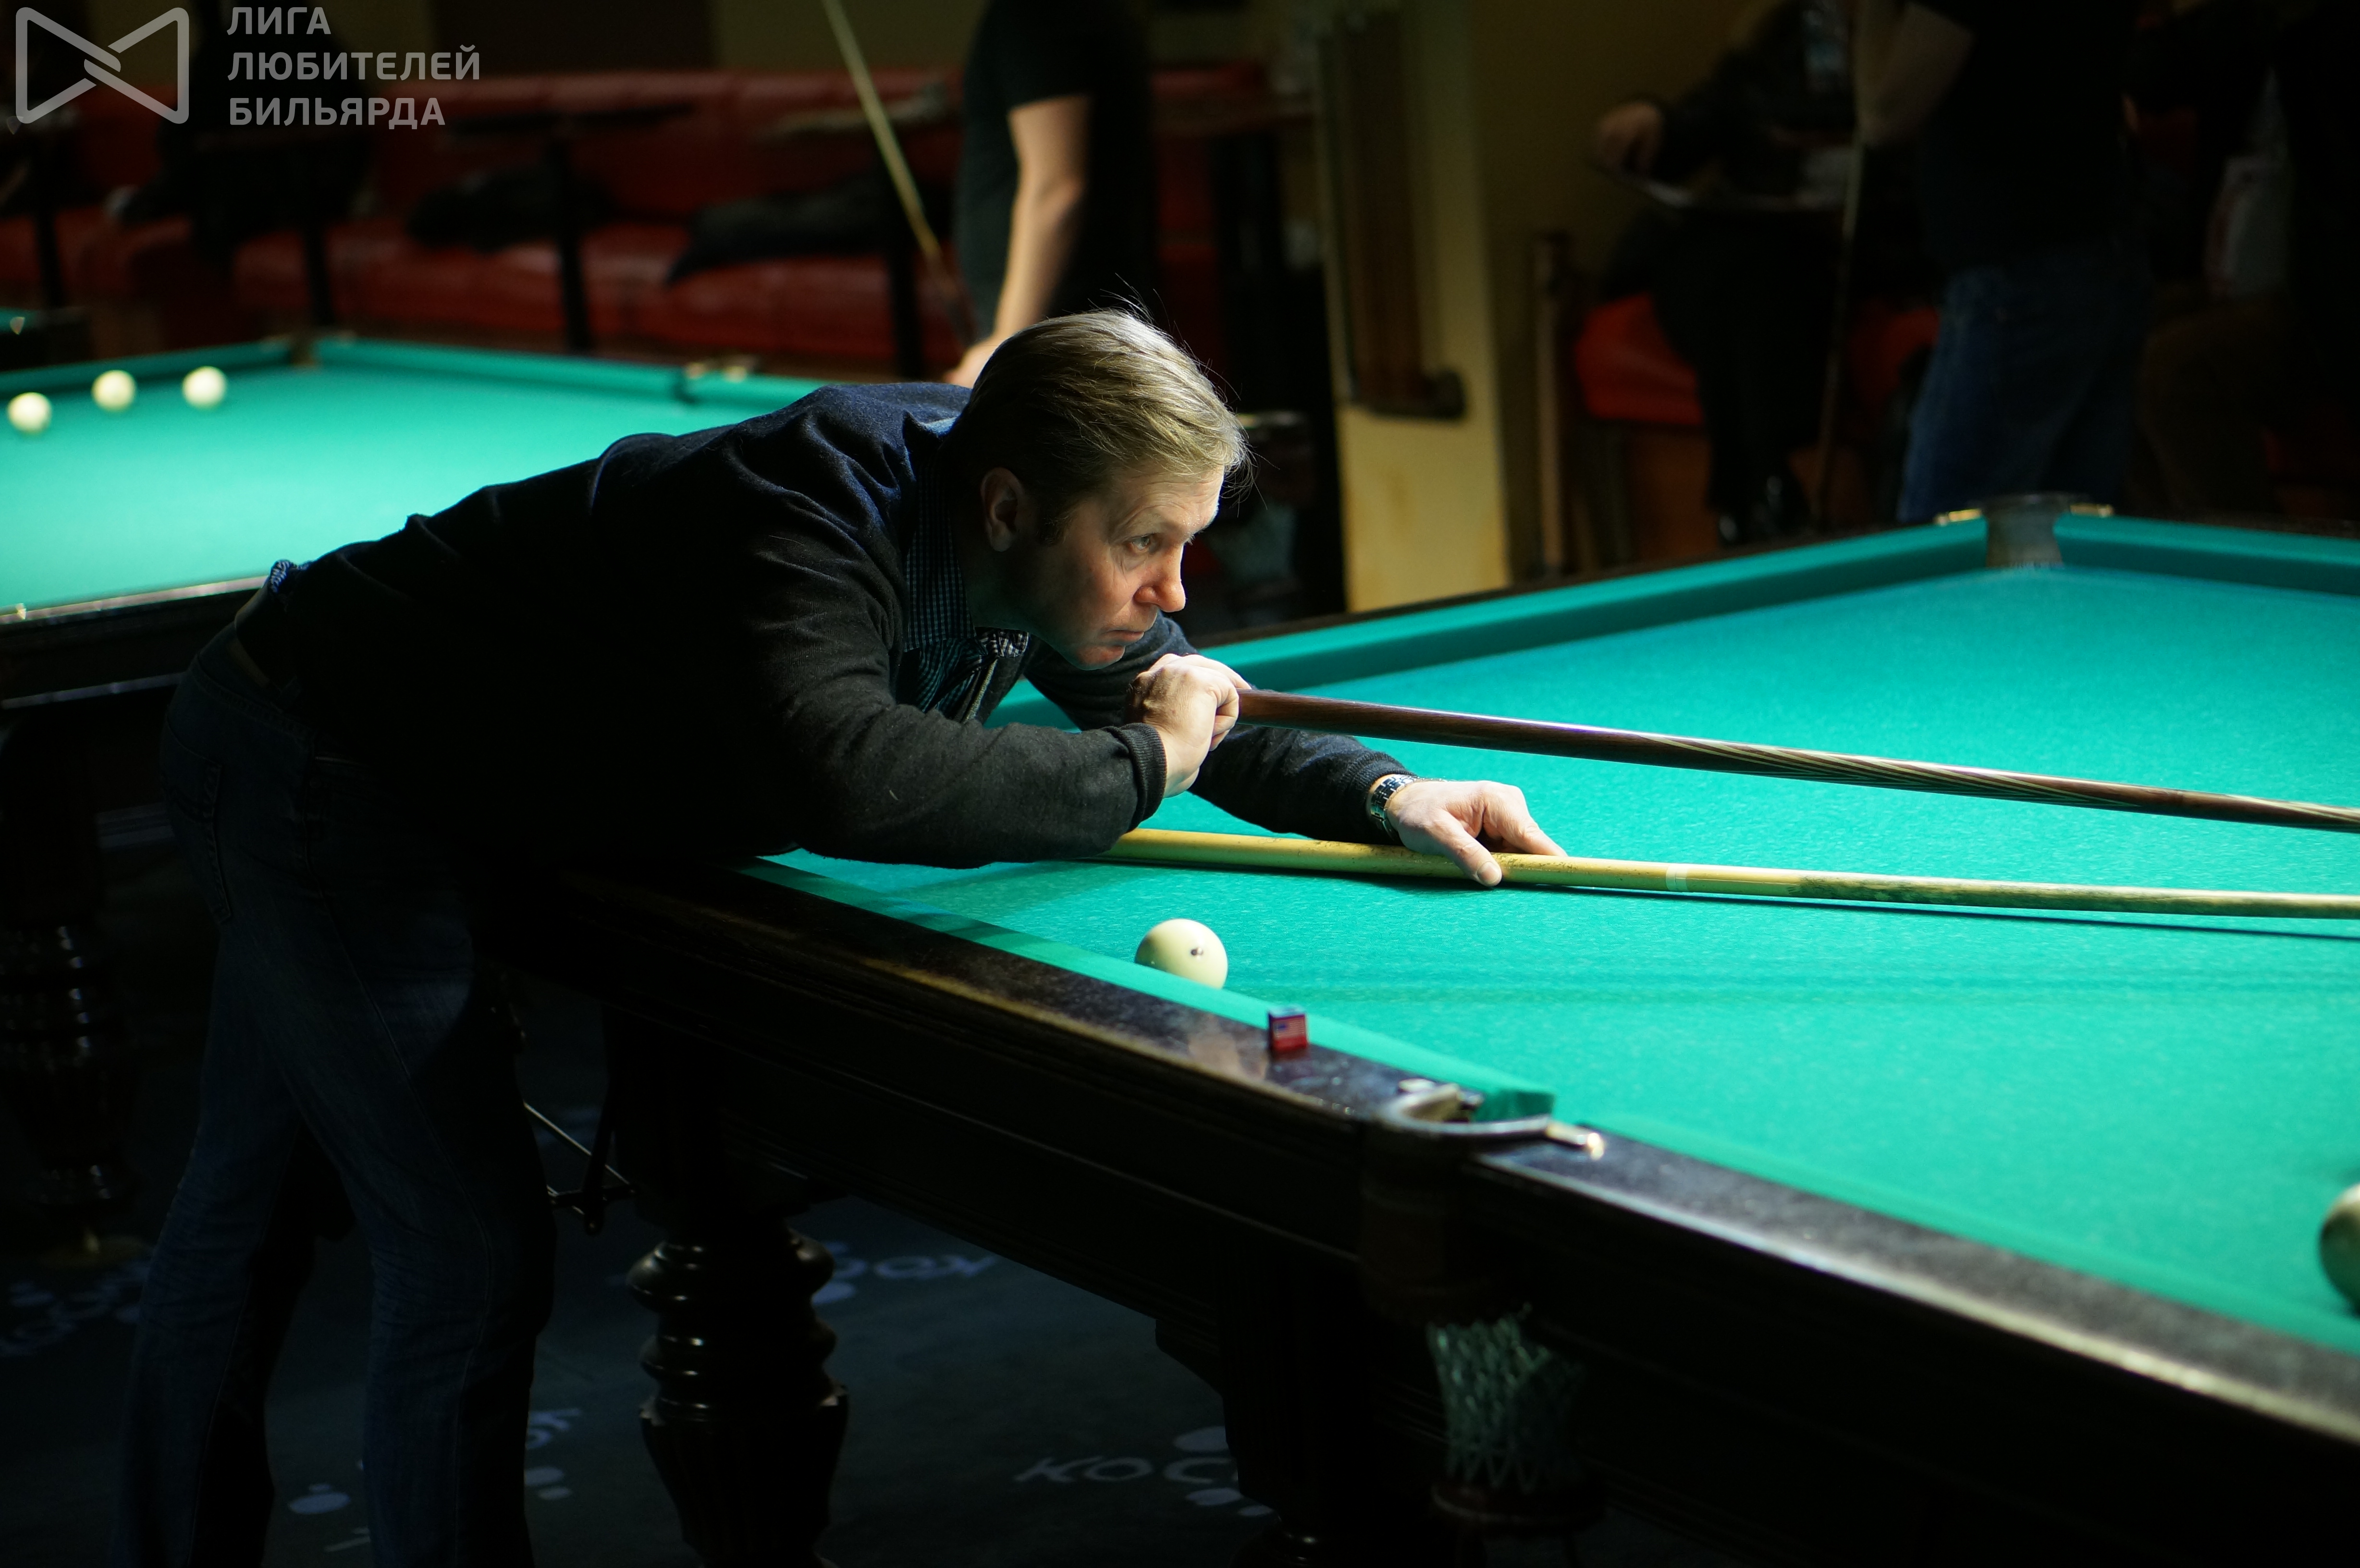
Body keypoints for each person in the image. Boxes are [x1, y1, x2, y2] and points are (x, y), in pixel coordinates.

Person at [111, 311, 1560, 1568]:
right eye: (1145, 544)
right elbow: (851, 775)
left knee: (251, 1203)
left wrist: (1381, 794)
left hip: (449, 755)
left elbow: (1183, 700)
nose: (1173, 590)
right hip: (320, 753)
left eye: (1183, 542)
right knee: (454, 1250)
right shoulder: (795, 519)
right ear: (1008, 508)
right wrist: (1145, 764)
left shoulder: (1029, 491)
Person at [1857, 0, 2150, 521]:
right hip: (2102, 254)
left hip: (2022, 278)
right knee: (2067, 537)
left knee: (1946, 533)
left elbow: (1884, 114)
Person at [1591, 0, 1863, 543]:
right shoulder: (1774, 44)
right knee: (1712, 266)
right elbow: (1701, 122)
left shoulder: (1908, 39)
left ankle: (1746, 494)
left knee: (1756, 283)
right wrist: (1652, 118)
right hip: (1737, 248)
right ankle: (1766, 489)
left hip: (1834, 254)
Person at [2127, 0, 2359, 517]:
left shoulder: (2332, 40)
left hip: (2326, 299)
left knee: (2174, 370)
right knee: (2111, 333)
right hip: (2247, 272)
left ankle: (2242, 558)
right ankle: (2160, 549)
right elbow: (2158, 65)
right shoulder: (2249, 25)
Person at [946, 0, 1158, 387]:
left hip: (1061, 326)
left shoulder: (1037, 11)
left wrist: (1008, 343)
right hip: (1074, 320)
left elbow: (1058, 189)